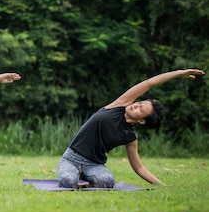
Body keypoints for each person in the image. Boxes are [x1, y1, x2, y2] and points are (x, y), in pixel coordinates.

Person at [57, 68, 205, 188]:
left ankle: (85, 177)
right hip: (71, 158)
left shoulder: (130, 137)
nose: (136, 105)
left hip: (94, 164)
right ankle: (77, 176)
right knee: (67, 181)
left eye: (140, 110)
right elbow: (149, 83)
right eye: (140, 103)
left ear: (141, 121)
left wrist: (162, 185)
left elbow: (139, 168)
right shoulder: (120, 104)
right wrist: (179, 73)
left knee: (108, 182)